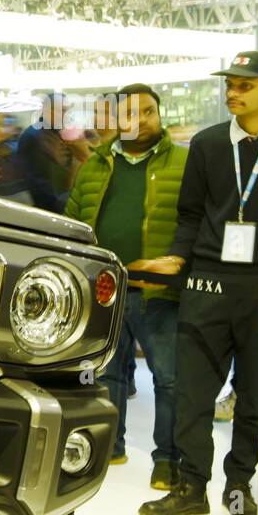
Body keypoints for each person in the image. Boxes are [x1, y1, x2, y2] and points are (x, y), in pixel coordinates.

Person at [135, 51, 258, 515]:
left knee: (256, 395)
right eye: (230, 84)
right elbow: (191, 215)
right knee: (193, 390)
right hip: (207, 280)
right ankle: (191, 484)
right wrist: (178, 257)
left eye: (245, 85)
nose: (232, 93)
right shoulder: (207, 144)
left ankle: (239, 488)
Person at [65, 85, 186, 488]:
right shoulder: (96, 166)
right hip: (106, 292)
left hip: (160, 293)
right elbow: (73, 222)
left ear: (159, 114)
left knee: (168, 378)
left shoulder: (183, 163)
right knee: (107, 375)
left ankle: (167, 459)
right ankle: (107, 448)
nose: (140, 120)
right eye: (130, 114)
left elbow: (196, 220)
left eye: (148, 112)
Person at [19, 94, 87, 212]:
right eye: (62, 110)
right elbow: (38, 181)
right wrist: (60, 207)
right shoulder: (34, 136)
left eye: (67, 110)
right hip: (49, 208)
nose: (66, 115)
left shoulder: (60, 134)